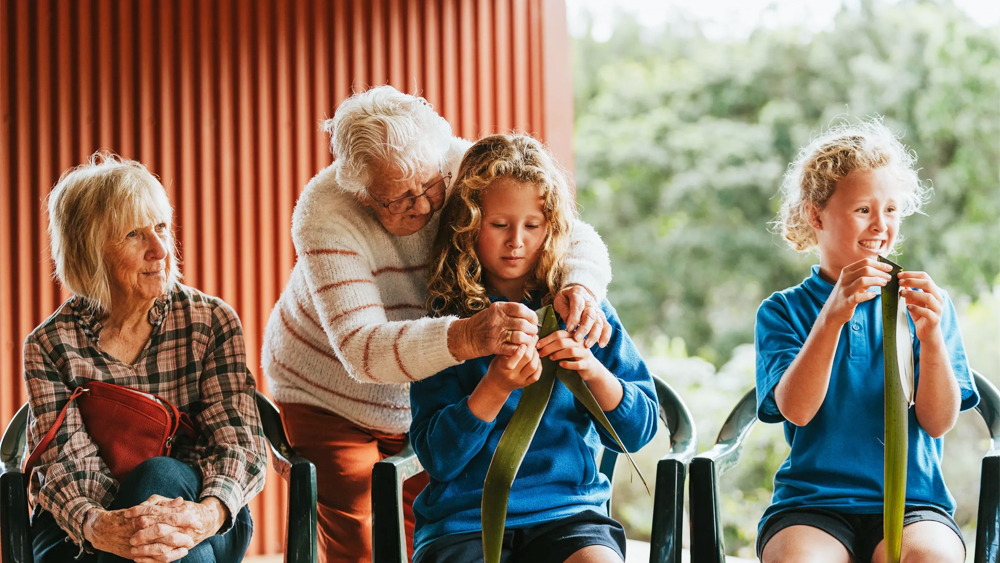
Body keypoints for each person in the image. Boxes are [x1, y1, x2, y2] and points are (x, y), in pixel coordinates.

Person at [261, 87, 614, 563]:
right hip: (331, 389)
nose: (425, 207)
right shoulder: (324, 214)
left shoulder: (459, 163)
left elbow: (569, 233)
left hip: (430, 382)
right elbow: (363, 352)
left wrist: (582, 287)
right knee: (360, 538)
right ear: (362, 193)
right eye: (399, 199)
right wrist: (470, 335)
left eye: (429, 186)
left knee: (423, 523)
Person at [409, 133, 659, 563]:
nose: (516, 242)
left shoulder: (584, 311)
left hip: (570, 514)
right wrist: (495, 386)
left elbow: (639, 431)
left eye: (532, 226)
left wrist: (592, 372)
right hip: (462, 521)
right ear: (469, 223)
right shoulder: (446, 325)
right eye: (499, 225)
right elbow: (438, 459)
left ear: (553, 226)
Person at [754, 119, 980, 563]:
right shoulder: (782, 311)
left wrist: (931, 339)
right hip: (811, 505)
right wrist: (831, 317)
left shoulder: (925, 305)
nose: (880, 225)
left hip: (914, 505)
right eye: (863, 210)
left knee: (930, 558)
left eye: (892, 210)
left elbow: (938, 422)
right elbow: (797, 410)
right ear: (815, 216)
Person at [25, 153, 268, 563]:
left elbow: (238, 445)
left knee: (161, 476)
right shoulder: (51, 345)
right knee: (176, 552)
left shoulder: (210, 322)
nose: (160, 249)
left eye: (160, 227)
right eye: (134, 234)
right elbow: (66, 468)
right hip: (79, 527)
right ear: (89, 251)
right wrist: (119, 527)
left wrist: (204, 514)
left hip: (207, 511)